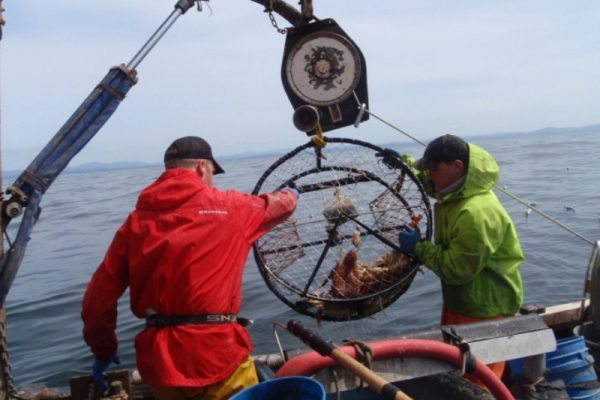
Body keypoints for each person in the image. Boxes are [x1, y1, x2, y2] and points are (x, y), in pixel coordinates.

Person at [81, 136, 298, 400]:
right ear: (201, 168)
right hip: (218, 353)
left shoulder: (135, 222)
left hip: (161, 364)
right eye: (212, 173)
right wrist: (292, 193)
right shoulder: (232, 207)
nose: (212, 180)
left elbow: (98, 297)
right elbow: (279, 205)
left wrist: (103, 350)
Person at [397, 134, 524, 383]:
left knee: (479, 382)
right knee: (458, 369)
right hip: (462, 301)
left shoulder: (476, 213)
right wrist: (406, 164)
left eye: (435, 170)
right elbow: (429, 182)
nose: (430, 176)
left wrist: (419, 248)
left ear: (458, 166)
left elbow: (457, 269)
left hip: (486, 308)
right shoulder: (458, 190)